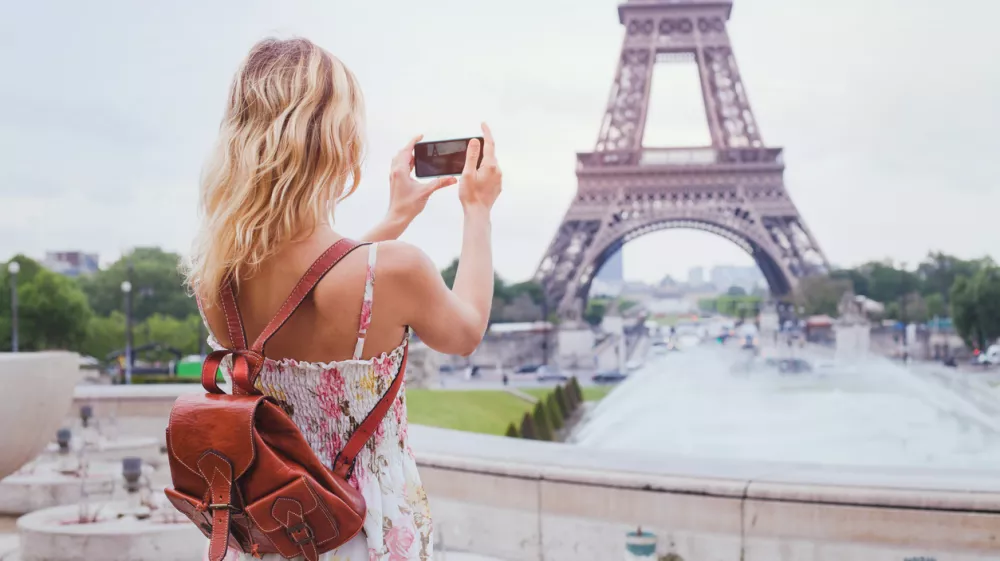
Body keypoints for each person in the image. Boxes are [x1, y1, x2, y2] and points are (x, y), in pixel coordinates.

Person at [185, 38, 502, 561]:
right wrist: (477, 208)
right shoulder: (396, 269)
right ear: (339, 142)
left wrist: (395, 216)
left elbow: (310, 286)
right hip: (361, 528)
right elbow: (465, 332)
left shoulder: (216, 276)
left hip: (264, 532)